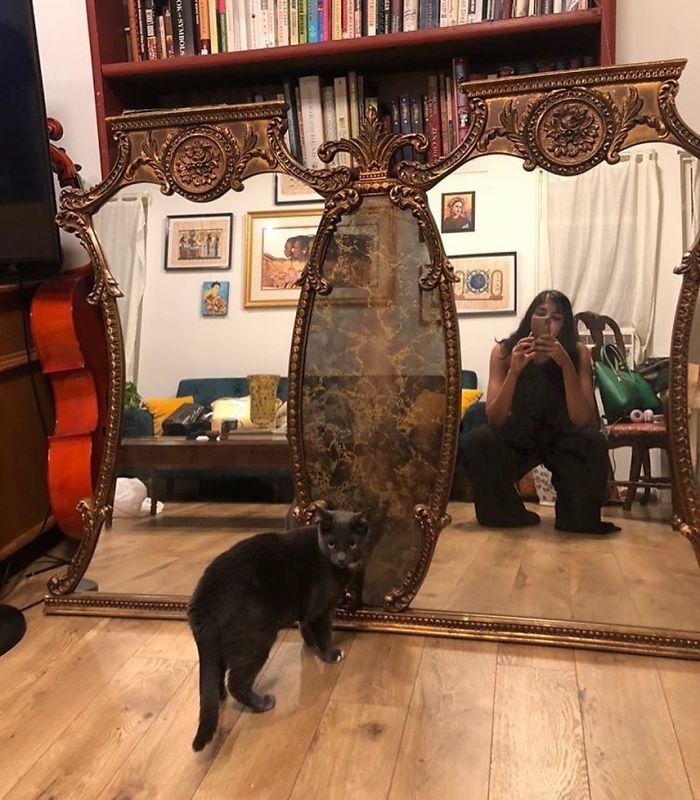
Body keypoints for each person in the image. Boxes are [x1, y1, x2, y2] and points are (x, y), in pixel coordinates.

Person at [463, 289, 620, 534]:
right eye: (541, 314)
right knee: (478, 440)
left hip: (562, 434)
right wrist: (514, 371)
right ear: (530, 318)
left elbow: (584, 420)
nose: (548, 322)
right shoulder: (504, 352)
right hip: (519, 433)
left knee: (593, 442)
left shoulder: (578, 353)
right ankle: (507, 512)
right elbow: (495, 418)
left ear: (565, 324)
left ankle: (575, 516)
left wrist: (565, 364)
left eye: (556, 317)